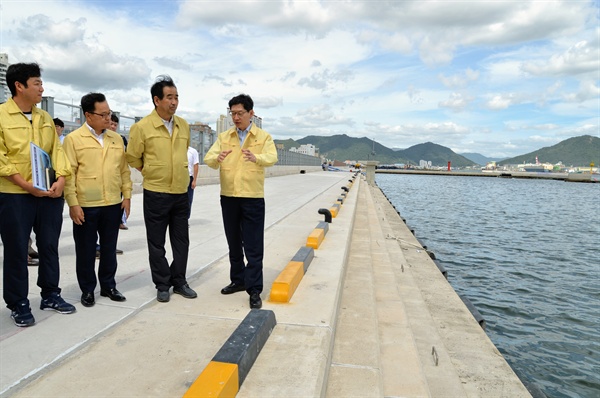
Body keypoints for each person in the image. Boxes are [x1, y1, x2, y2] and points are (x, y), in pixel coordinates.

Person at [0, 62, 76, 327]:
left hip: (48, 192)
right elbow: (1, 159)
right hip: (14, 195)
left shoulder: (44, 118)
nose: (42, 88)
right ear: (19, 86)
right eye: (37, 83)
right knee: (17, 249)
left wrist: (62, 179)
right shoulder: (1, 116)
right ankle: (18, 302)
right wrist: (25, 185)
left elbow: (57, 150)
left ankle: (50, 294)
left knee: (48, 245)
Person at [126, 75, 197, 303]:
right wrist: (148, 171)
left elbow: (183, 151)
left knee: (181, 240)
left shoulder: (183, 125)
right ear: (157, 100)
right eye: (169, 97)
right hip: (156, 193)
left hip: (180, 191)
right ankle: (162, 283)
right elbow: (132, 156)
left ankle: (180, 280)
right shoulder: (142, 127)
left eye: (176, 97)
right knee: (156, 243)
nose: (174, 102)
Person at [204, 94, 278, 309]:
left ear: (251, 113)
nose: (236, 117)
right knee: (233, 242)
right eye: (232, 113)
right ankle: (237, 280)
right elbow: (209, 158)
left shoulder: (263, 137)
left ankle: (254, 289)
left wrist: (257, 158)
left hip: (253, 198)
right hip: (229, 197)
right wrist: (216, 159)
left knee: (253, 246)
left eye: (240, 113)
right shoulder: (225, 136)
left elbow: (272, 157)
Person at [63, 93, 132, 308]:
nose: (107, 118)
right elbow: (68, 174)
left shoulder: (116, 139)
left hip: (112, 203)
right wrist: (73, 203)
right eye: (103, 114)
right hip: (85, 205)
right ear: (88, 115)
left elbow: (123, 171)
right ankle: (87, 289)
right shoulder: (74, 140)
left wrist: (127, 196)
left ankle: (108, 286)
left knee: (109, 248)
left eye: (109, 113)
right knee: (85, 250)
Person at [187, 146, 199, 219]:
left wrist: (194, 180)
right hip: (178, 178)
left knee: (188, 199)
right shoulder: (177, 149)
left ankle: (186, 218)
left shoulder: (193, 151)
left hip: (189, 177)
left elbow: (196, 165)